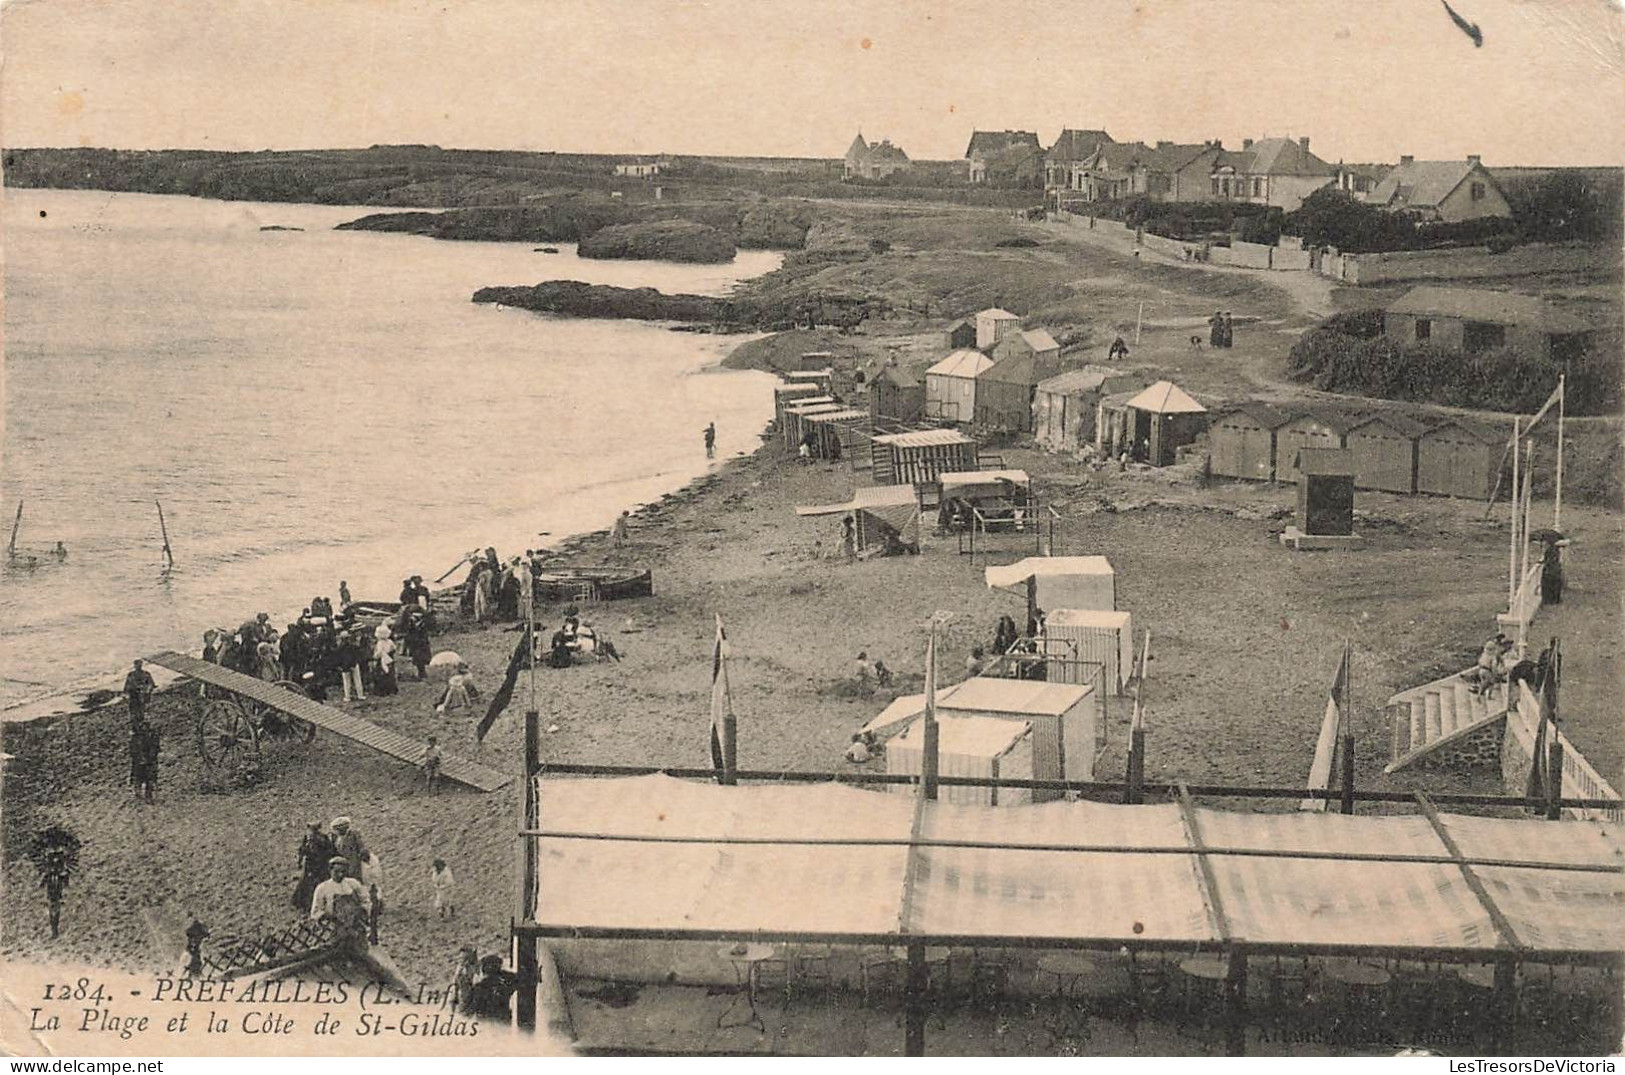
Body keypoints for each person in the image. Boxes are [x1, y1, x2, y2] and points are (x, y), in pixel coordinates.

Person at [309, 857, 369, 939]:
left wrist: (362, 910)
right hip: (333, 929)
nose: (340, 874)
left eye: (343, 871)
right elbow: (316, 912)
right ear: (330, 870)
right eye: (336, 872)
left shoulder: (353, 884)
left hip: (355, 926)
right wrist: (326, 917)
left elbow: (366, 901)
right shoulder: (322, 888)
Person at [293, 822, 335, 913]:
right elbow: (330, 850)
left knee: (310, 882)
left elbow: (302, 850)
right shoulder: (320, 837)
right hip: (316, 863)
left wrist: (300, 861)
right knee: (312, 883)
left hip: (316, 863)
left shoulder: (313, 837)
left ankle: (307, 903)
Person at [468, 956, 517, 1020]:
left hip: (487, 1020)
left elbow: (471, 1009)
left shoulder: (479, 987)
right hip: (502, 1018)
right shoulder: (507, 981)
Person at [331, 817, 368, 884]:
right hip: (342, 863)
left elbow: (361, 847)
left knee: (355, 879)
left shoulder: (353, 835)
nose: (338, 831)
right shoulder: (336, 838)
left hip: (353, 861)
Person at [335, 630, 365, 702]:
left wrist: (340, 665)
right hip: (353, 664)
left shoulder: (339, 648)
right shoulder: (353, 646)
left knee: (346, 681)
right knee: (357, 680)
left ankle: (347, 696)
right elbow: (356, 655)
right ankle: (360, 695)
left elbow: (338, 658)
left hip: (345, 666)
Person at [123, 659, 156, 727]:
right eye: (136, 665)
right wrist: (125, 693)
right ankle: (135, 723)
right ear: (134, 666)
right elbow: (127, 685)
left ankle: (141, 722)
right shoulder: (131, 674)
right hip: (133, 694)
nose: (138, 666)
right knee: (133, 709)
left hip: (142, 694)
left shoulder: (146, 674)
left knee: (142, 708)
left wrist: (147, 691)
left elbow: (151, 684)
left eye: (139, 665)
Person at [452, 947, 480, 1014]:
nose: (466, 963)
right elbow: (455, 986)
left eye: (468, 960)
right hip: (463, 1000)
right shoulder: (460, 970)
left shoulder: (477, 970)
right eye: (463, 960)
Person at [1540, 536, 1565, 605]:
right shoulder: (1555, 550)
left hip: (1551, 571)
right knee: (1554, 585)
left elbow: (1549, 561)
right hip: (1555, 570)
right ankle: (1554, 600)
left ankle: (1550, 600)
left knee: (1550, 585)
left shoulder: (1551, 551)